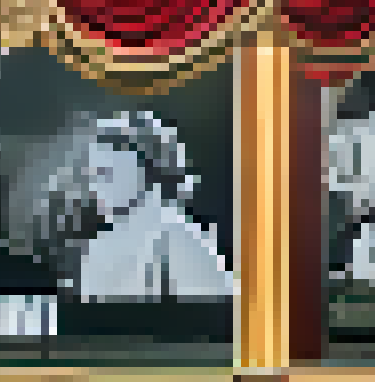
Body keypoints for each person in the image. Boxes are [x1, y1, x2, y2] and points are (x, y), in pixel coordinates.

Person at [36, 110, 235, 303]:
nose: (94, 187)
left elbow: (218, 311)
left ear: (145, 170)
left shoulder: (181, 237)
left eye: (105, 173)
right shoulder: (101, 244)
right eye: (92, 176)